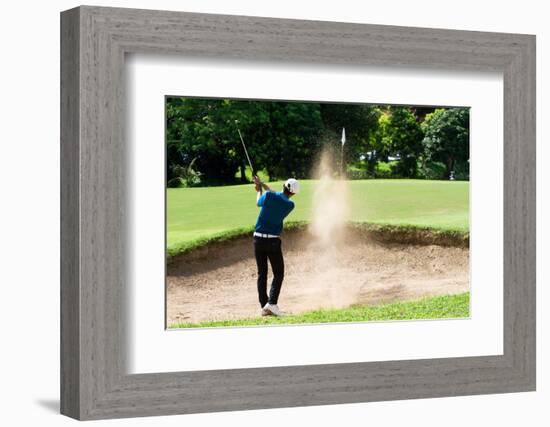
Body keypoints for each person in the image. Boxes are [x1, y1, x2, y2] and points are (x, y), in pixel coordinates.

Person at [252, 175, 299, 317]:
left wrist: (258, 189)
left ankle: (264, 306)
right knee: (278, 273)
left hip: (257, 239)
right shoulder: (290, 205)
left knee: (262, 274)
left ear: (283, 186)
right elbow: (277, 196)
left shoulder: (269, 196)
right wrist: (263, 185)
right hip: (272, 241)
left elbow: (259, 202)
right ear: (293, 193)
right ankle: (271, 304)